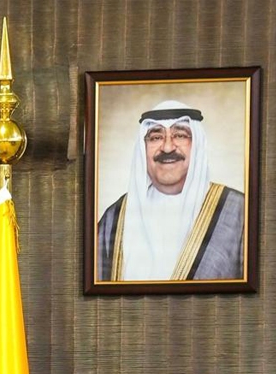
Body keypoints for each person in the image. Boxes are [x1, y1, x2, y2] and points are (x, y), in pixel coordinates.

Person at [97, 101, 245, 282]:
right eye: (155, 137)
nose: (167, 147)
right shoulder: (115, 217)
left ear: (197, 145)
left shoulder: (239, 212)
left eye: (180, 135)